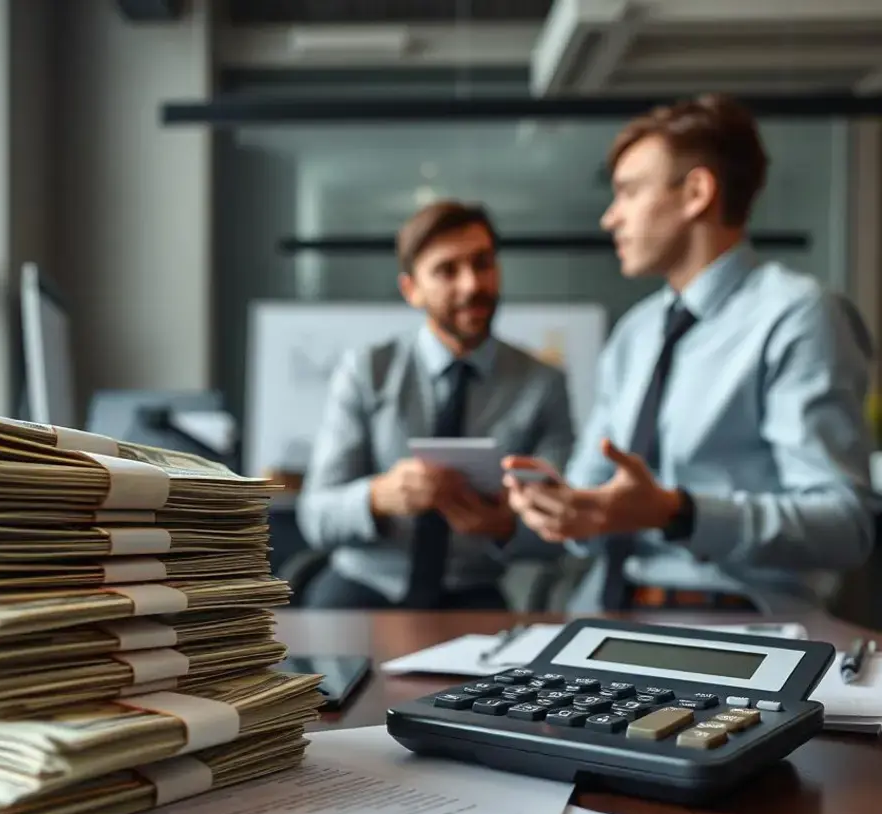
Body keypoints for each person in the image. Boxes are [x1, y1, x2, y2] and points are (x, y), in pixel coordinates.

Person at [503, 93, 875, 615]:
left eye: (629, 192)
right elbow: (592, 504)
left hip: (734, 618)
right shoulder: (635, 332)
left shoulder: (797, 315)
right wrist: (559, 508)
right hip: (599, 615)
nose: (611, 218)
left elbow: (846, 525)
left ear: (696, 192)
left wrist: (678, 512)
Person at [297, 200, 573, 610]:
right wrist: (379, 497)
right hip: (362, 585)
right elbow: (314, 517)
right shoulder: (366, 370)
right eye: (447, 270)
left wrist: (504, 527)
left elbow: (566, 531)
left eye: (483, 263)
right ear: (411, 289)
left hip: (470, 592)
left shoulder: (544, 384)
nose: (471, 285)